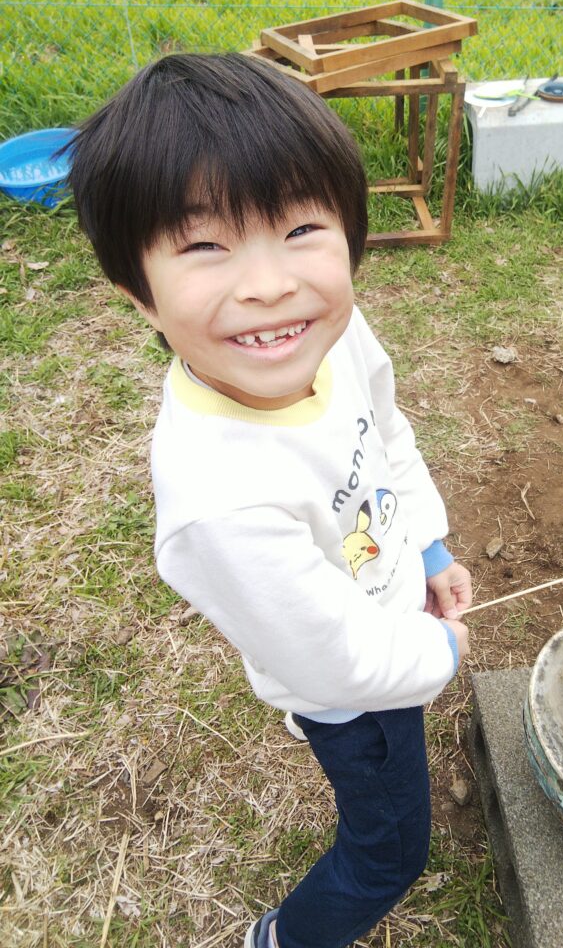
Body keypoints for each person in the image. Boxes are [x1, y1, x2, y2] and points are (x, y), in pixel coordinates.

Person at [67, 52, 472, 948]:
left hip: (368, 617)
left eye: (300, 229)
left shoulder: (328, 333)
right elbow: (338, 661)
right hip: (352, 688)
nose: (269, 284)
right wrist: (436, 653)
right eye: (205, 246)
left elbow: (387, 434)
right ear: (139, 294)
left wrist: (429, 547)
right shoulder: (221, 501)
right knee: (389, 851)